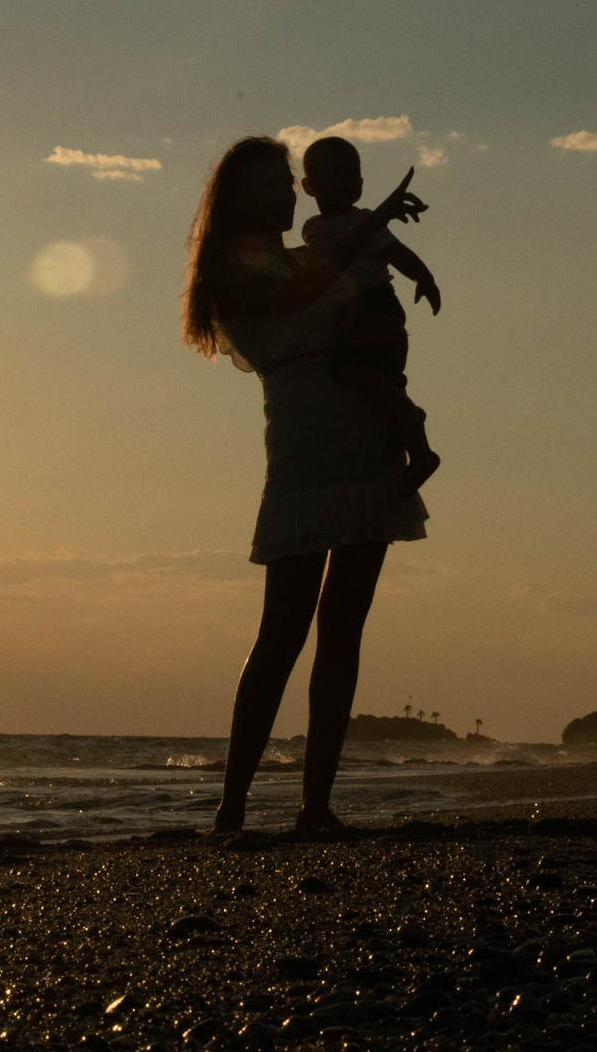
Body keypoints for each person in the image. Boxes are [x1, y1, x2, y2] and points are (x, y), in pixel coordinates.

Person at [184, 135, 433, 834]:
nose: (287, 194)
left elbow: (363, 309)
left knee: (343, 632)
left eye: (287, 182)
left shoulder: (312, 250)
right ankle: (230, 808)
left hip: (366, 444)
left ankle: (315, 805)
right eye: (269, 186)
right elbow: (304, 291)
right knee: (281, 636)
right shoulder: (231, 272)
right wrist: (375, 218)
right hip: (303, 455)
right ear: (236, 200)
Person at [298, 134, 442, 487]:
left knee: (352, 371)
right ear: (309, 186)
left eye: (352, 174)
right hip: (351, 311)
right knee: (379, 383)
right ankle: (406, 439)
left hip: (374, 304)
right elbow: (319, 266)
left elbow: (399, 254)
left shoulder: (366, 221)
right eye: (334, 173)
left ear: (361, 183)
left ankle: (419, 447)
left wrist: (425, 278)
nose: (345, 180)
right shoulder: (315, 228)